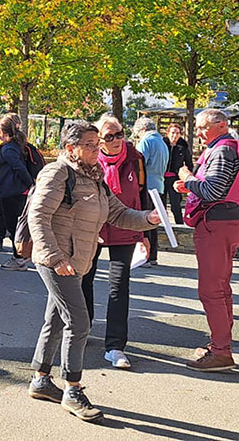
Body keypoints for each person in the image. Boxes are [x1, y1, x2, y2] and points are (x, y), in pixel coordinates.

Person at [25, 120, 160, 422]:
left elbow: (117, 213)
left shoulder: (93, 177)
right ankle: (73, 389)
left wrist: (149, 218)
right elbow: (39, 216)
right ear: (70, 148)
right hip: (58, 261)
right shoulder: (57, 173)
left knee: (57, 319)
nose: (97, 148)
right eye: (90, 144)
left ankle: (41, 380)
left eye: (96, 142)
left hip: (78, 261)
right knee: (79, 322)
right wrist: (56, 258)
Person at [173, 108, 239, 372]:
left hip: (215, 223)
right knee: (220, 287)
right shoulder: (227, 147)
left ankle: (221, 350)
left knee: (211, 290)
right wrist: (191, 184)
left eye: (201, 127)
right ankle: (219, 343)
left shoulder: (221, 150)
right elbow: (217, 186)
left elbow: (212, 189)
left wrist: (188, 179)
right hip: (227, 221)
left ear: (220, 125)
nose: (197, 132)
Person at [86, 115, 148, 370]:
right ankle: (83, 326)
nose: (115, 140)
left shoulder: (136, 159)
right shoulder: (89, 162)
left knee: (119, 287)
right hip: (93, 229)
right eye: (109, 136)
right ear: (99, 141)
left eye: (119, 134)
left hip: (126, 227)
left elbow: (144, 196)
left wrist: (145, 232)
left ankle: (115, 346)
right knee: (84, 279)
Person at [0, 115, 35, 270]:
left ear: (3, 131)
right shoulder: (17, 145)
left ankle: (19, 258)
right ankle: (21, 256)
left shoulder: (8, 148)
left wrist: (30, 184)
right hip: (16, 191)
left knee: (14, 227)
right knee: (17, 225)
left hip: (11, 191)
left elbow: (18, 168)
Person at [134, 117, 168, 266]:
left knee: (145, 221)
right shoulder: (162, 142)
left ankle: (145, 257)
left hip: (146, 186)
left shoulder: (146, 142)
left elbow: (138, 163)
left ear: (142, 130)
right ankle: (153, 255)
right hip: (159, 185)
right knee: (154, 222)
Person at [163, 122, 193, 225]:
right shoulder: (162, 144)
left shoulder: (183, 146)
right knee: (161, 205)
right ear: (168, 133)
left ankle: (179, 225)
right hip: (161, 178)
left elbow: (189, 163)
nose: (174, 135)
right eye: (172, 133)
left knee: (175, 205)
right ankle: (161, 225)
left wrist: (188, 177)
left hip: (175, 178)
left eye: (177, 133)